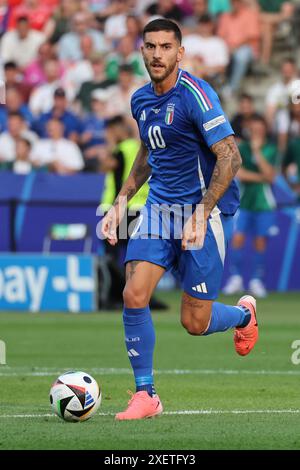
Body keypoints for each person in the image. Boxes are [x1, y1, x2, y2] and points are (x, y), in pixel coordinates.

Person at [101, 18, 259, 421]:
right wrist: (121, 200)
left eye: (166, 47)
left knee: (195, 321)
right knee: (134, 294)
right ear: (142, 51)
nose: (158, 54)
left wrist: (202, 213)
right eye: (151, 46)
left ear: (180, 52)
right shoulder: (141, 101)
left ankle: (243, 315)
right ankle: (146, 395)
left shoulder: (196, 95)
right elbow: (149, 152)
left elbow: (231, 156)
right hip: (159, 210)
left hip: (202, 213)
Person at [223, 115, 277, 298]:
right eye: (253, 128)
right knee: (237, 239)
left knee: (260, 242)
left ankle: (256, 280)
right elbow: (240, 173)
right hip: (244, 202)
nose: (256, 131)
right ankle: (236, 278)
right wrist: (260, 177)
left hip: (264, 204)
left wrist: (257, 152)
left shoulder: (270, 148)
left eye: (259, 128)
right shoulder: (242, 149)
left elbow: (270, 175)